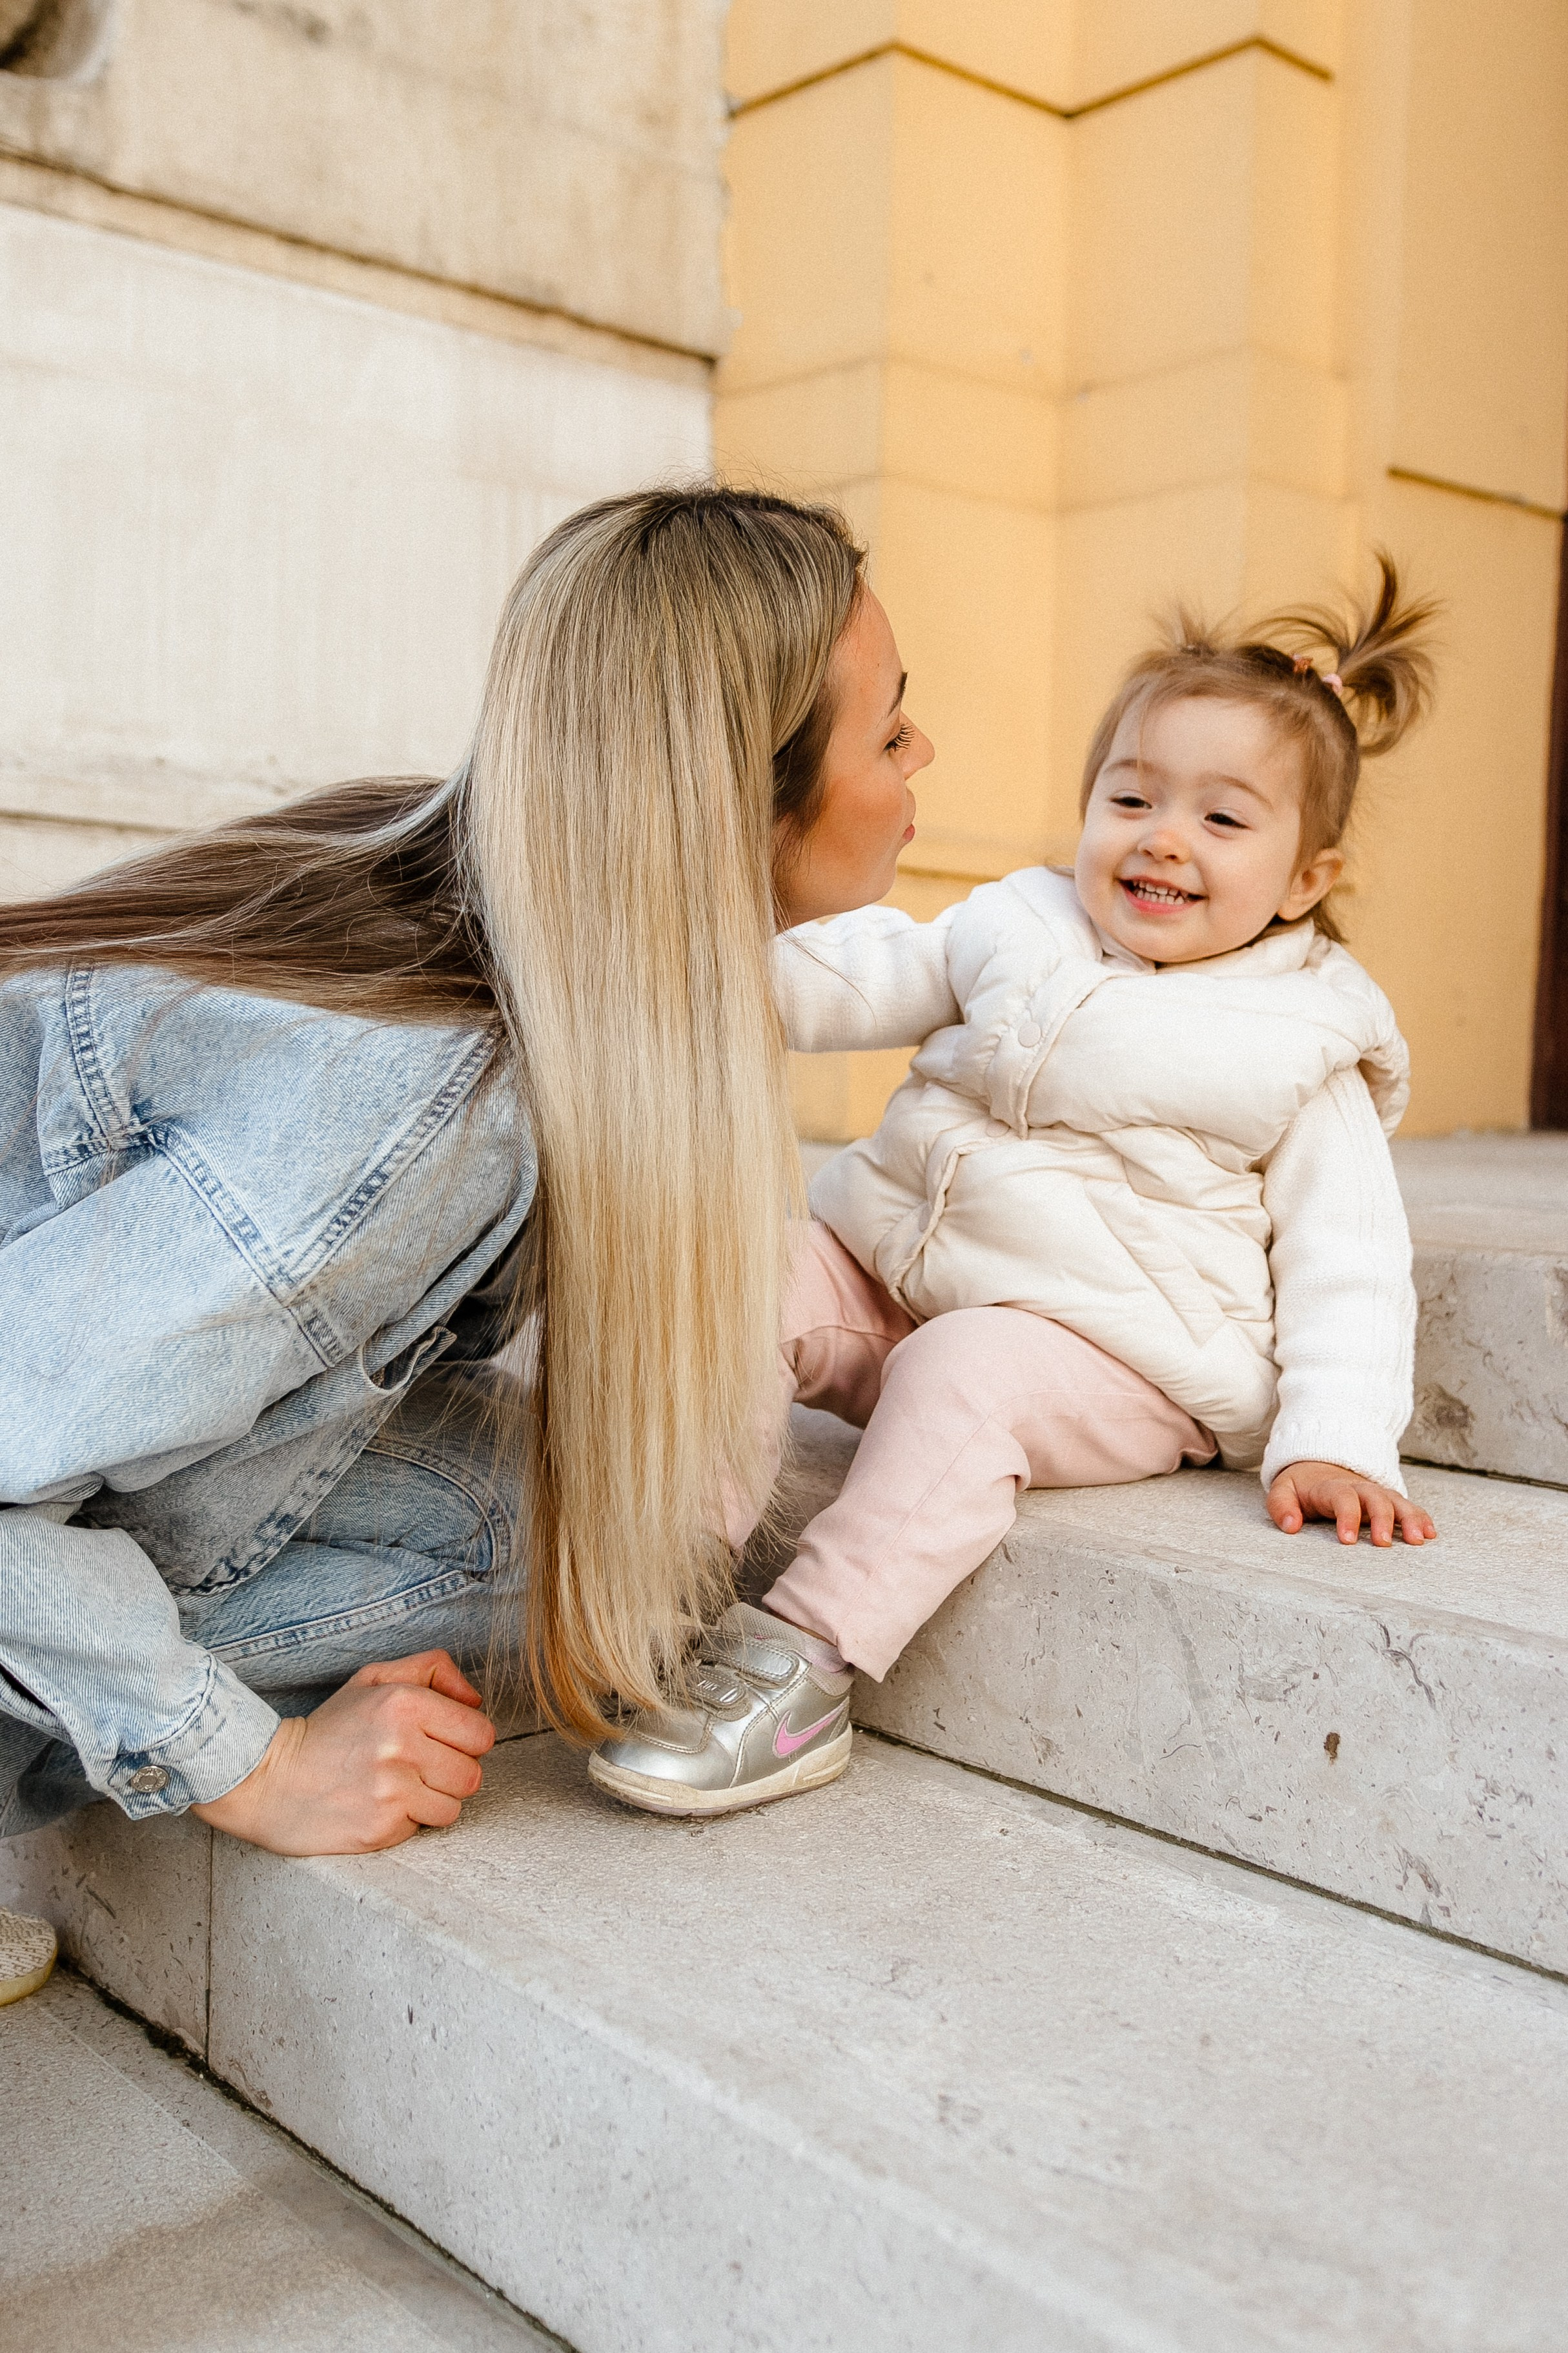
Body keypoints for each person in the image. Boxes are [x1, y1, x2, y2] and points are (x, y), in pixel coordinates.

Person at [0, 489, 930, 1940]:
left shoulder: (451, 884)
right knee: (584, 1578)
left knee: (615, 1547)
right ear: (738, 800)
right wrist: (254, 1764)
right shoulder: (423, 1109)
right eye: (890, 730)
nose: (922, 757)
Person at [591, 558, 1441, 1820]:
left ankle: (804, 1662)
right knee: (746, 1269)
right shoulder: (1021, 923)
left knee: (967, 1370)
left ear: (1306, 879)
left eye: (1222, 821)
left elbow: (1351, 1261)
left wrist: (1336, 1436)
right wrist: (698, 960)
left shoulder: (1303, 1037)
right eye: (1131, 796)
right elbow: (857, 974)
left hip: (1112, 1355)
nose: (1162, 837)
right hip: (899, 1283)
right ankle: (657, 1578)